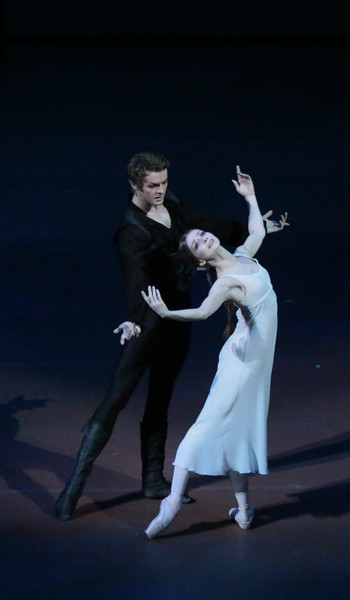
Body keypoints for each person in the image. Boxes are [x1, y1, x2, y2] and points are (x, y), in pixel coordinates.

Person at [55, 152, 287, 521]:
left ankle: (153, 479)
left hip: (177, 318)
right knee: (116, 399)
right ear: (135, 185)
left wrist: (252, 228)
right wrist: (133, 320)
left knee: (161, 397)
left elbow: (207, 226)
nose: (160, 190)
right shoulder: (131, 231)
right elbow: (135, 278)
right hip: (148, 322)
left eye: (164, 182)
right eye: (153, 185)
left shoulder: (172, 204)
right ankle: (72, 489)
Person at [140, 166, 285, 538]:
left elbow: (256, 232)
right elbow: (204, 312)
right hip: (241, 363)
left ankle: (244, 510)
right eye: (199, 244)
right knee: (208, 425)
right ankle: (172, 502)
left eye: (203, 235)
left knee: (235, 433)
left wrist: (250, 197)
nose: (205, 239)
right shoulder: (225, 283)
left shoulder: (243, 257)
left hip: (254, 359)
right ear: (201, 260)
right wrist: (167, 312)